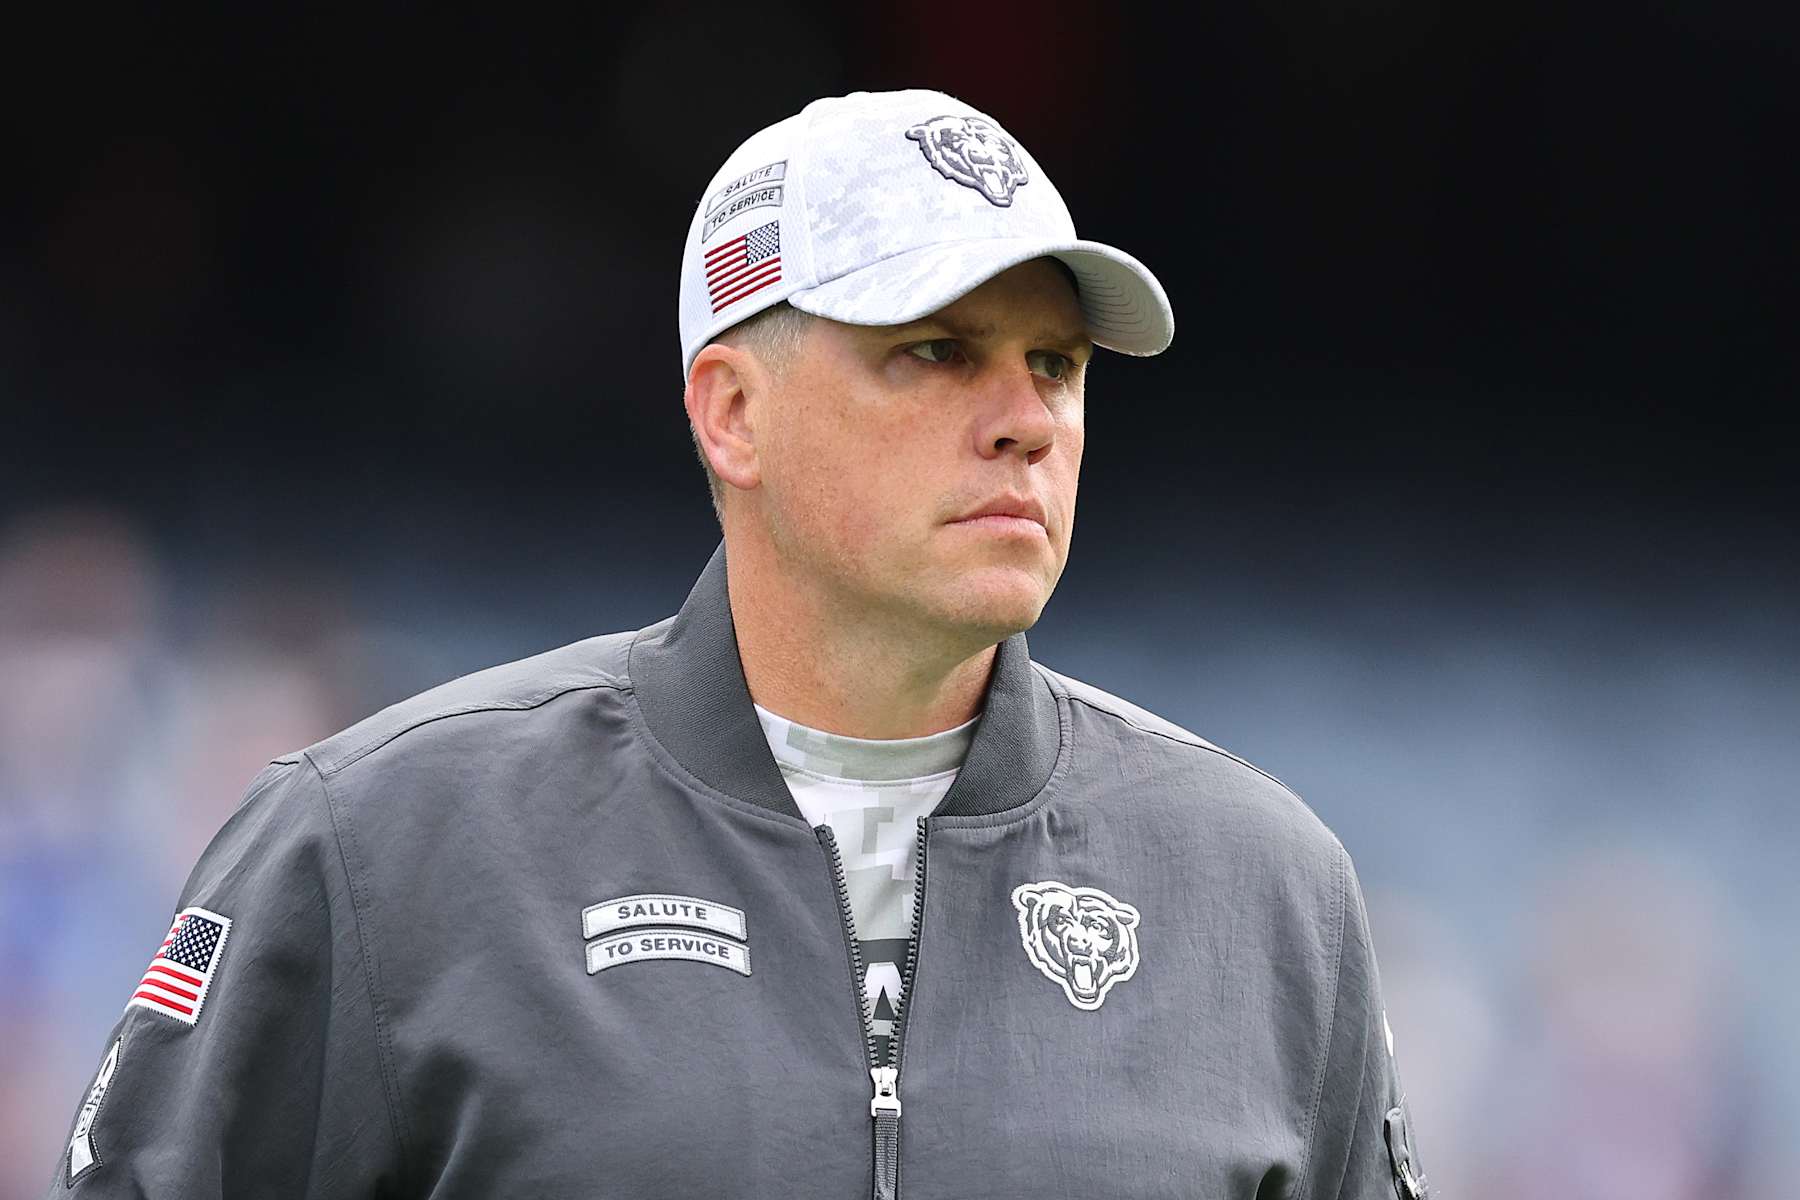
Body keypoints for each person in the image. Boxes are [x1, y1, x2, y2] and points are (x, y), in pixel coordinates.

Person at [46, 88, 1428, 1199]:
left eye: (1055, 365)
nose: (1027, 419)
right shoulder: (376, 847)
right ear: (733, 411)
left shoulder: (1264, 896)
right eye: (938, 352)